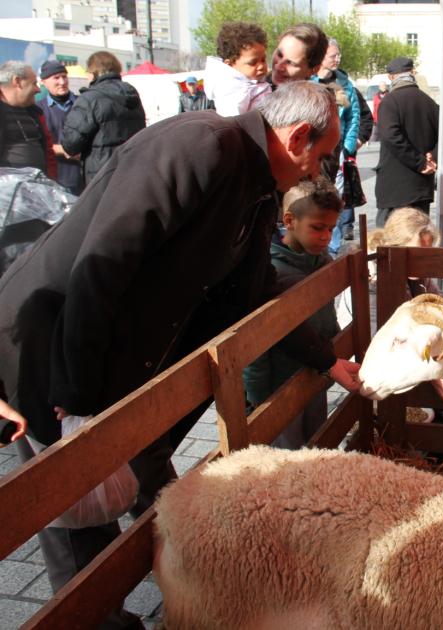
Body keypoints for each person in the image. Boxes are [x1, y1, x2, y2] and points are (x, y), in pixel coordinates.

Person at [0, 81, 358, 626]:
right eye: (322, 155)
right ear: (298, 138)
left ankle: (197, 586)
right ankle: (100, 618)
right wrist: (74, 400)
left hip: (123, 361)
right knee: (80, 512)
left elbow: (256, 290)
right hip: (54, 345)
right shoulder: (200, 147)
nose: (318, 171)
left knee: (147, 478)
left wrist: (326, 360)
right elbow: (103, 264)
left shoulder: (255, 187)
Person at [243, 178, 342, 449]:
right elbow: (255, 339)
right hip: (279, 386)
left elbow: (326, 312)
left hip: (315, 372)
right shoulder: (269, 273)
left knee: (318, 442)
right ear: (289, 220)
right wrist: (260, 396)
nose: (326, 236)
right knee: (287, 455)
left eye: (331, 229)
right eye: (317, 228)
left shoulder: (323, 262)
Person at [61, 51, 145, 186]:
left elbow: (70, 145)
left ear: (93, 72)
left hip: (102, 174)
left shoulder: (90, 98)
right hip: (132, 169)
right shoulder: (132, 94)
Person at [375, 56, 438, 228]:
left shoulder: (389, 101)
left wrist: (420, 162)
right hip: (420, 187)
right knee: (417, 240)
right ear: (412, 73)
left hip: (395, 188)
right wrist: (432, 159)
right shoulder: (429, 102)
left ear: (391, 77)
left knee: (389, 243)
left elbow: (390, 136)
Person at [315, 39, 361, 255]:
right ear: (321, 57)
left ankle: (331, 246)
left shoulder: (345, 84)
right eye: (333, 55)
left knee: (334, 197)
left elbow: (354, 118)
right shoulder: (308, 81)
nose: (338, 59)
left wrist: (349, 146)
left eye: (338, 55)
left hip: (337, 152)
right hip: (312, 150)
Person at [367, 206, 441, 297]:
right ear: (392, 245)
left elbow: (438, 300)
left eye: (427, 254)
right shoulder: (373, 279)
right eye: (416, 254)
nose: (423, 262)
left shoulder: (419, 274)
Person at [0, 61, 57, 178]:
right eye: (34, 83)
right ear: (17, 81)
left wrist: (52, 180)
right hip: (7, 192)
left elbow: (48, 151)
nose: (38, 90)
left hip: (39, 188)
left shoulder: (35, 112)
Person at [203, 21, 271, 116]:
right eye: (252, 63)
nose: (261, 66)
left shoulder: (250, 82)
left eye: (263, 60)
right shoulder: (232, 88)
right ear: (229, 64)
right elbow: (233, 120)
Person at [36, 60, 83, 195]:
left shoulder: (83, 103)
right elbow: (39, 144)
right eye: (56, 78)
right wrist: (63, 150)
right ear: (44, 82)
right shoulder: (38, 109)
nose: (62, 82)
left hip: (86, 175)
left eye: (64, 76)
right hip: (58, 179)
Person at [270, 23, 328, 88]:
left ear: (314, 70)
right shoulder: (259, 83)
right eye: (279, 55)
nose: (278, 66)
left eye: (290, 63)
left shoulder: (315, 97)